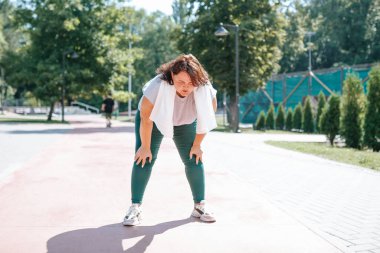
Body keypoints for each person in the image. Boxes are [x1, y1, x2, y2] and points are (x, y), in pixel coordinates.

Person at [123, 54, 218, 226]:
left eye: (190, 84)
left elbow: (207, 119)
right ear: (172, 76)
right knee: (144, 158)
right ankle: (135, 207)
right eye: (181, 82)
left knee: (193, 158)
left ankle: (199, 205)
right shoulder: (157, 85)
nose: (185, 87)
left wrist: (197, 145)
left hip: (185, 121)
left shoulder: (205, 89)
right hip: (154, 120)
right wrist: (145, 146)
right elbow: (146, 119)